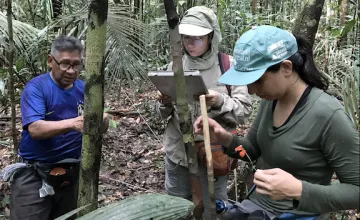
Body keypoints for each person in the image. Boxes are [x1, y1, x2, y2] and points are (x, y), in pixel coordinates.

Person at [193, 25, 359, 219]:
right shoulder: (270, 102)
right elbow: (250, 152)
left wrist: (298, 190)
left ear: (286, 68)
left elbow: (356, 191)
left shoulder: (328, 114)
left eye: (258, 80)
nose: (252, 91)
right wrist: (224, 138)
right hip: (256, 209)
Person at [156, 6, 252, 219]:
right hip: (178, 153)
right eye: (186, 38)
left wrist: (219, 100)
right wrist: (165, 103)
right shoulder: (175, 65)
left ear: (211, 37)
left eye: (197, 38)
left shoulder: (228, 67)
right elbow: (162, 116)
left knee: (214, 209)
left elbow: (244, 109)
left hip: (213, 154)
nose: (190, 43)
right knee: (176, 208)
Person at [8, 36, 109, 220]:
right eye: (65, 64)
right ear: (50, 61)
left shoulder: (84, 88)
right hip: (36, 174)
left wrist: (103, 119)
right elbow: (35, 129)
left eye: (77, 65)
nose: (71, 70)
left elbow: (100, 128)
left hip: (72, 174)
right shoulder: (36, 88)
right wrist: (73, 123)